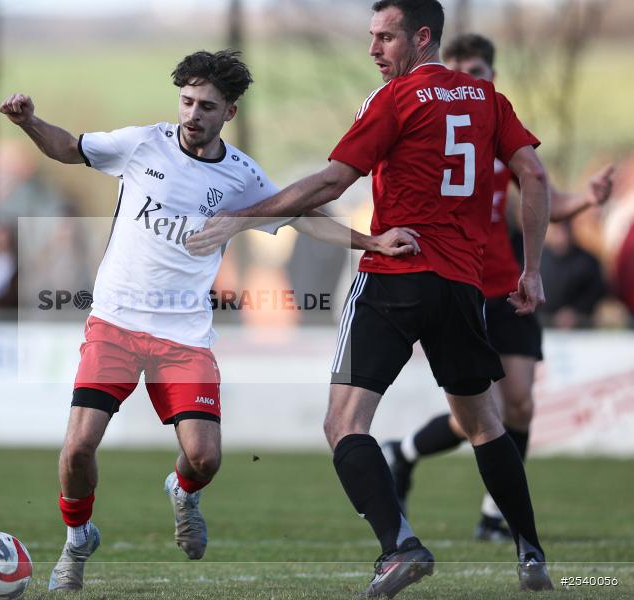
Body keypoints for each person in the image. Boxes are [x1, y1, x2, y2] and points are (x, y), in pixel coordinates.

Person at [0, 49, 421, 592]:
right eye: (187, 101)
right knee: (78, 447)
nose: (192, 114)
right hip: (115, 323)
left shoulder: (242, 176)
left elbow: (304, 216)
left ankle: (183, 490)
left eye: (206, 106)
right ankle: (78, 539)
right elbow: (70, 147)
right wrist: (30, 122)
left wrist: (370, 241)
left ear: (230, 113)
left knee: (205, 456)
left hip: (184, 335)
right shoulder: (141, 144)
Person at [186, 1, 554, 596]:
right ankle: (531, 553)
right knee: (485, 425)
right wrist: (532, 269)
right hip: (462, 286)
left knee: (344, 422)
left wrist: (238, 219)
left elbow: (332, 180)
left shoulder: (394, 100)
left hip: (395, 274)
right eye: (372, 37)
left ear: (423, 37)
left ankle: (399, 546)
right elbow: (533, 175)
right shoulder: (488, 99)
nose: (374, 49)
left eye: (386, 37)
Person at [381, 32, 614, 541]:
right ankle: (406, 452)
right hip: (460, 290)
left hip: (506, 289)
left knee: (521, 404)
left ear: (491, 77)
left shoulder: (498, 137)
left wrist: (587, 201)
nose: (467, 81)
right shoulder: (429, 139)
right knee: (479, 414)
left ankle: (492, 513)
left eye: (478, 73)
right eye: (459, 71)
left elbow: (541, 196)